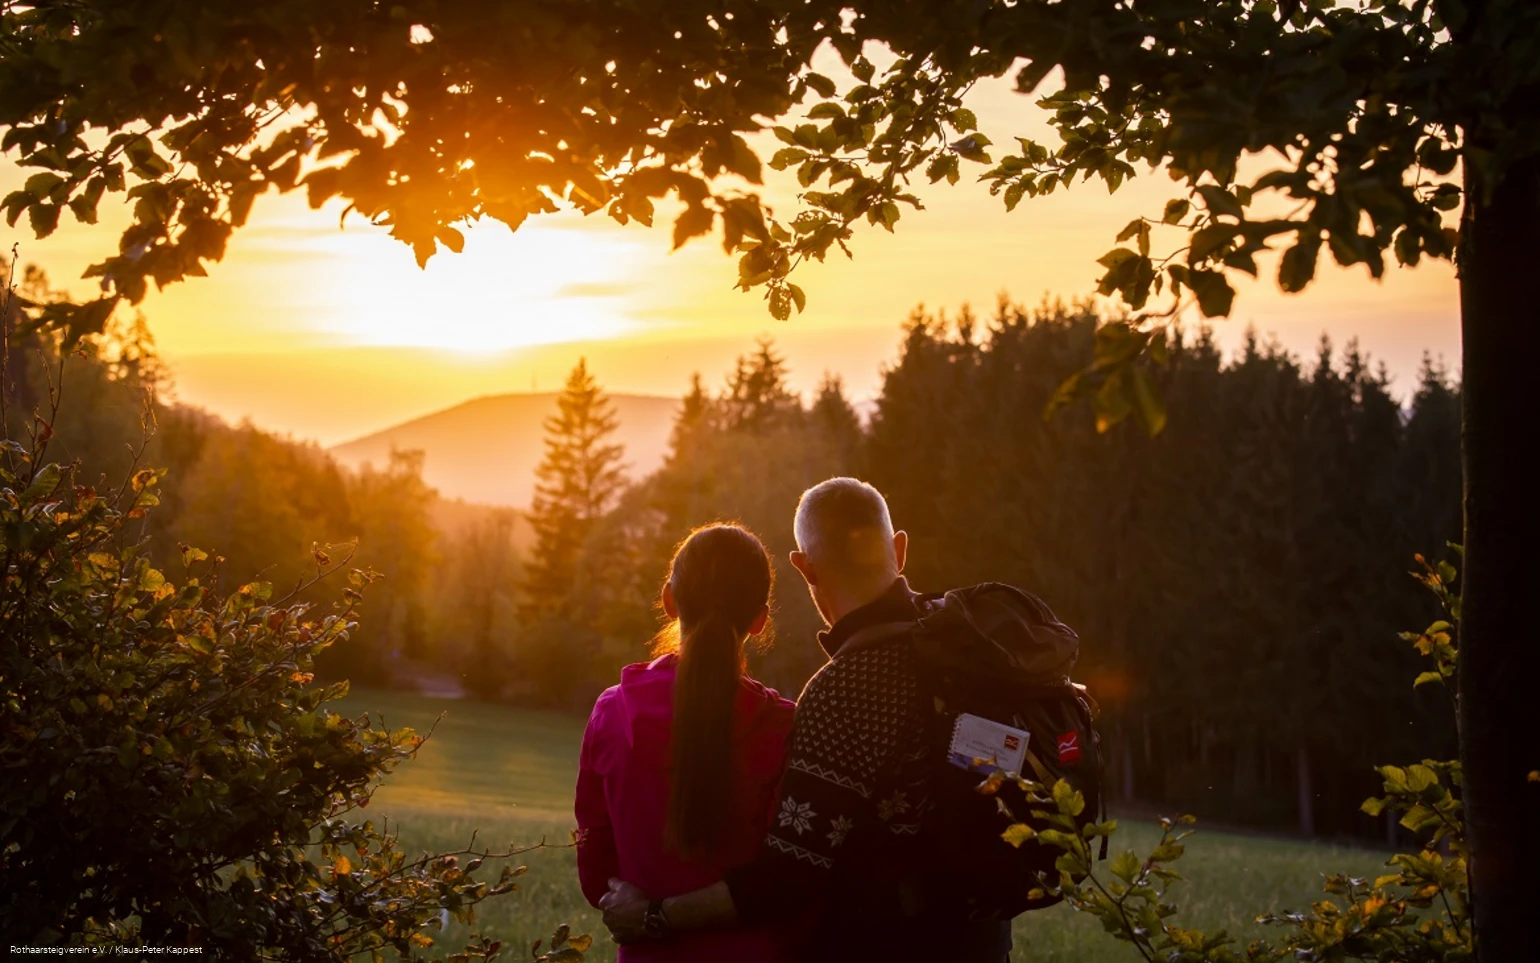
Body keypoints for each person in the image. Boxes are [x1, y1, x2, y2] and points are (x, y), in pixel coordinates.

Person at [601, 478, 1014, 963]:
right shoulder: (968, 649)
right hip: (985, 944)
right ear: (899, 550)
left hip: (890, 945)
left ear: (804, 568)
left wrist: (654, 917)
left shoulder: (842, 690)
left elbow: (790, 875)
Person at [574, 522, 798, 963]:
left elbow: (596, 872)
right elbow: (785, 879)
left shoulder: (611, 713)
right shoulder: (786, 728)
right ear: (759, 619)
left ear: (669, 600)